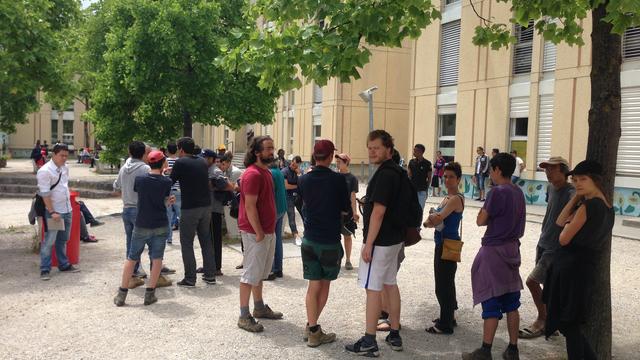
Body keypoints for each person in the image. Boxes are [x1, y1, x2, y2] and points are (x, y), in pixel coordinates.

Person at [543, 160, 614, 360]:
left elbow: (563, 237)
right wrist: (576, 198)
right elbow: (559, 221)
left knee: (570, 325)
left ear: (596, 180)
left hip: (571, 269)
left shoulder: (589, 206)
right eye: (575, 180)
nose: (578, 184)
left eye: (583, 179)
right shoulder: (608, 208)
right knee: (570, 325)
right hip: (584, 268)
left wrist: (569, 224)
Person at [346, 130, 405, 357]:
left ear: (388, 149)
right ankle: (395, 332)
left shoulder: (384, 175)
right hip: (394, 240)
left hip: (380, 241)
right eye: (369, 147)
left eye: (377, 148)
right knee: (390, 283)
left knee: (373, 289)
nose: (372, 151)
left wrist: (368, 243)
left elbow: (379, 212)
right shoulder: (398, 172)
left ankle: (370, 341)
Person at [463, 153, 525, 360]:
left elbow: (481, 220)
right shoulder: (518, 192)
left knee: (491, 300)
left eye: (491, 169)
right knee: (512, 302)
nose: (490, 173)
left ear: (498, 170)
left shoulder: (497, 192)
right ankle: (513, 348)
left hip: (494, 250)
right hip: (512, 249)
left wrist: (483, 213)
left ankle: (485, 350)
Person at [298, 139, 350, 347]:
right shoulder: (338, 180)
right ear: (330, 157)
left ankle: (312, 327)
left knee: (313, 286)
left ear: (314, 155)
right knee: (325, 285)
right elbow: (345, 208)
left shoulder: (303, 179)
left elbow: (301, 203)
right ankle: (313, 330)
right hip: (329, 240)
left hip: (309, 238)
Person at [518, 157, 574, 339]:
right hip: (543, 242)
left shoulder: (571, 193)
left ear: (563, 170)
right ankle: (552, 322)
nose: (547, 172)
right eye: (545, 168)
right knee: (547, 285)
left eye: (551, 168)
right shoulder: (551, 188)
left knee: (532, 281)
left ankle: (543, 320)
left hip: (556, 247)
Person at [114, 151, 175, 306]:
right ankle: (150, 294)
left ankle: (122, 294)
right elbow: (163, 200)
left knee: (132, 257)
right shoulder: (167, 182)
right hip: (160, 223)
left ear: (149, 163)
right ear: (163, 164)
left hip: (142, 223)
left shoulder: (140, 180)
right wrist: (168, 201)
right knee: (157, 259)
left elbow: (142, 193)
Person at [236, 135, 283, 333]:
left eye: (272, 148)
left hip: (266, 230)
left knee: (259, 274)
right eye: (268, 149)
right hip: (256, 232)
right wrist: (258, 232)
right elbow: (249, 206)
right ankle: (243, 315)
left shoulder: (266, 172)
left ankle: (259, 307)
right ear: (257, 152)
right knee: (250, 274)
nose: (271, 152)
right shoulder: (253, 174)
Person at [424, 162, 464, 335]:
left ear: (459, 179)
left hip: (448, 244)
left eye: (451, 177)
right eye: (445, 176)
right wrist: (433, 218)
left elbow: (438, 216)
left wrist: (431, 219)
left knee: (443, 285)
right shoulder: (447, 197)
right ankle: (448, 316)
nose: (447, 180)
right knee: (447, 282)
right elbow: (434, 218)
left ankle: (445, 324)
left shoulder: (455, 199)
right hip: (441, 242)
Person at [171, 137, 216, 287]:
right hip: (206, 206)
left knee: (187, 243)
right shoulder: (202, 161)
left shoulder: (180, 162)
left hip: (190, 207)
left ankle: (190, 278)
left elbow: (171, 181)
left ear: (181, 149)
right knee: (206, 240)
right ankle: (210, 275)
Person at [113, 141, 156, 288]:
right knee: (151, 241)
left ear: (130, 152)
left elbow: (116, 186)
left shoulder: (124, 167)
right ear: (144, 153)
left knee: (131, 243)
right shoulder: (145, 169)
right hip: (141, 209)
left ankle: (132, 273)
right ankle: (156, 273)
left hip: (126, 209)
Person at [37, 143, 80, 280]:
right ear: (54, 154)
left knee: (64, 239)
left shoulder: (65, 168)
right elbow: (45, 194)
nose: (64, 158)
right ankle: (45, 269)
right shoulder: (45, 171)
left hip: (67, 209)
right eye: (62, 155)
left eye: (66, 156)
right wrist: (52, 211)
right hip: (55, 212)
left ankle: (64, 264)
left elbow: (64, 186)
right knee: (50, 241)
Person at [202, 149, 234, 277]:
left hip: (214, 209)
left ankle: (216, 267)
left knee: (215, 239)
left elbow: (229, 186)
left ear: (211, 159)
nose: (202, 159)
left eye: (205, 157)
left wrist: (211, 187)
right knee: (208, 239)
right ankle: (209, 265)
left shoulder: (215, 171)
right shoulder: (208, 170)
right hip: (207, 209)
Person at [335, 153, 359, 270]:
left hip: (347, 213)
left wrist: (355, 212)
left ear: (346, 163)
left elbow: (353, 196)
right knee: (334, 237)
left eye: (339, 162)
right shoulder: (333, 176)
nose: (337, 163)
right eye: (337, 161)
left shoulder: (352, 178)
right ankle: (336, 258)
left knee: (347, 236)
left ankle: (348, 260)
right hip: (334, 212)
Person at [266, 161, 287, 281]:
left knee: (270, 239)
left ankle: (271, 270)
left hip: (274, 209)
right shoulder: (279, 172)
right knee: (277, 238)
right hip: (282, 208)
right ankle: (278, 269)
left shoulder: (270, 173)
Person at [282, 155, 304, 245]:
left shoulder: (299, 172)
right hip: (288, 196)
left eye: (297, 165)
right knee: (291, 216)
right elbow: (286, 186)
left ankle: (307, 232)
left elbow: (304, 183)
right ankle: (295, 235)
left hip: (298, 196)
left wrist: (299, 174)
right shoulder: (284, 171)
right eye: (293, 163)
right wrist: (298, 186)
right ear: (291, 162)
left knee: (304, 213)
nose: (294, 166)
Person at [407, 144, 432, 211]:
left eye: (415, 151)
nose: (413, 152)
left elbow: (429, 178)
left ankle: (419, 221)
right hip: (412, 190)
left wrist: (426, 189)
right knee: (411, 210)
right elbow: (409, 176)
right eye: (413, 150)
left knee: (420, 210)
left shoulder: (427, 163)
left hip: (422, 191)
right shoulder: (411, 162)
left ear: (421, 152)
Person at [164, 142, 181, 242]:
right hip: (178, 190)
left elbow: (164, 174)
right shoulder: (180, 161)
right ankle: (184, 237)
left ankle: (169, 238)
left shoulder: (165, 161)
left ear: (167, 151)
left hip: (168, 191)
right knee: (181, 215)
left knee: (168, 216)